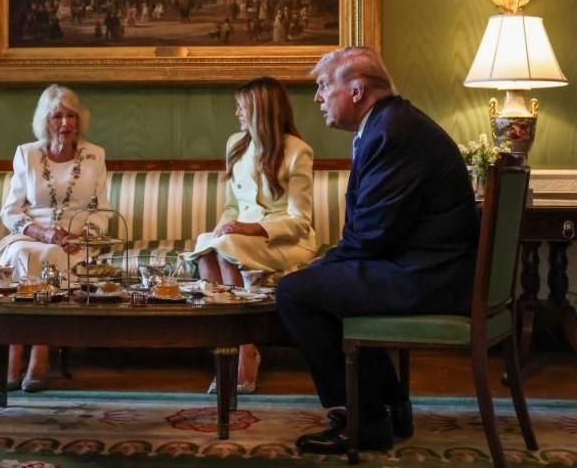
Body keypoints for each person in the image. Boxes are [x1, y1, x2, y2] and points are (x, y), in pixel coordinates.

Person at [276, 47, 478, 454]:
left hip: (428, 278)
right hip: (427, 267)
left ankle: (365, 419)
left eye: (322, 86)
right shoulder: (391, 124)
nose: (317, 98)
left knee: (295, 292)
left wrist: (323, 265)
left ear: (356, 90)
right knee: (320, 284)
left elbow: (371, 234)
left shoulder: (391, 132)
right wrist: (329, 265)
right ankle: (388, 405)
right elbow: (379, 230)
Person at [0, 84, 108, 392]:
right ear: (44, 120)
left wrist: (82, 235)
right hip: (31, 234)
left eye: (70, 115)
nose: (64, 123)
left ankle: (39, 350)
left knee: (52, 256)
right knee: (26, 254)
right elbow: (10, 211)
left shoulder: (95, 155)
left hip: (75, 240)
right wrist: (42, 232)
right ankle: (17, 346)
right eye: (57, 116)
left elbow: (102, 212)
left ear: (80, 119)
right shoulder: (27, 153)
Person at [187, 77, 317, 394]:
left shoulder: (298, 152)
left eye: (242, 107)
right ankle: (236, 349)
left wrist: (251, 229)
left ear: (261, 110)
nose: (237, 114)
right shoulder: (236, 144)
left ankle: (242, 355)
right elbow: (232, 206)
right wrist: (224, 226)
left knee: (226, 246)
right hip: (239, 241)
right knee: (208, 245)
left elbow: (301, 221)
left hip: (287, 243)